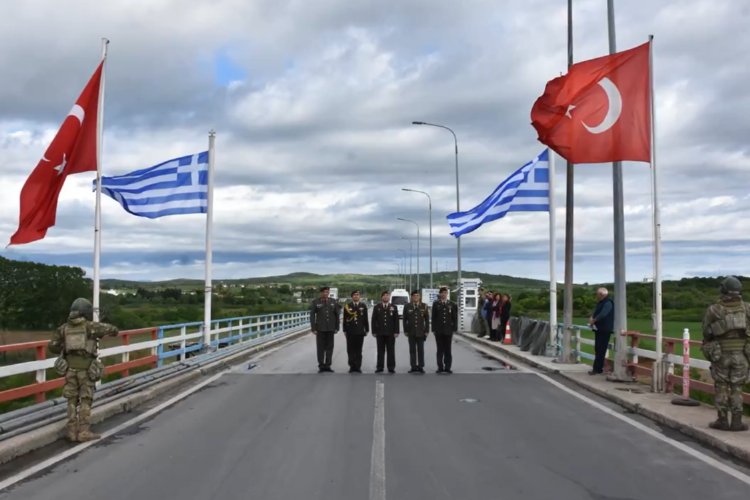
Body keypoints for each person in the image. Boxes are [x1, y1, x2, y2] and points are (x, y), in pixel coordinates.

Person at [48, 298, 119, 442]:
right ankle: (84, 431)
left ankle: (72, 431)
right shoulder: (90, 327)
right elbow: (114, 330)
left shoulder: (63, 328)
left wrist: (66, 347)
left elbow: (52, 346)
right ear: (86, 312)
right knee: (86, 399)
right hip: (86, 370)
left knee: (71, 400)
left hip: (69, 370)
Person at [701, 276, 750, 431]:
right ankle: (737, 421)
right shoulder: (747, 308)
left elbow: (706, 332)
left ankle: (722, 420)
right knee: (737, 387)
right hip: (742, 354)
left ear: (723, 290)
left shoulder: (714, 309)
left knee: (721, 386)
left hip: (721, 354)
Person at [310, 286, 341, 373]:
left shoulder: (333, 301)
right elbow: (312, 316)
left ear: (328, 293)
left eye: (327, 292)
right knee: (320, 348)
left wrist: (337, 327)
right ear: (321, 293)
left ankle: (328, 365)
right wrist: (313, 328)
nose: (325, 293)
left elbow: (337, 315)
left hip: (330, 328)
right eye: (324, 292)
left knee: (329, 347)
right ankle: (321, 366)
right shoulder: (316, 302)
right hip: (320, 329)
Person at [587, 287, 614, 375]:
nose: (596, 296)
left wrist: (594, 320)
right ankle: (598, 368)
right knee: (598, 348)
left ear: (601, 294)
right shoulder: (602, 302)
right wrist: (592, 317)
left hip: (605, 329)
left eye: (597, 294)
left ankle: (597, 369)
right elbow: (598, 312)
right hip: (599, 328)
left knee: (601, 349)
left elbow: (603, 313)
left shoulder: (608, 302)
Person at [371, 291, 400, 373]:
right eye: (384, 296)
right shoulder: (377, 307)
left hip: (390, 333)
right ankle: (380, 367)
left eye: (387, 296)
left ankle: (391, 367)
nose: (386, 297)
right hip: (380, 333)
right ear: (381, 297)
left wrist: (396, 331)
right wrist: (374, 331)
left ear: (389, 297)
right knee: (380, 351)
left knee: (391, 351)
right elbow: (374, 320)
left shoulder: (393, 307)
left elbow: (396, 320)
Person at [432, 287, 458, 374]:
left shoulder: (452, 304)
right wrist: (433, 329)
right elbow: (433, 318)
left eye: (445, 293)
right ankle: (440, 367)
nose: (444, 294)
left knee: (448, 349)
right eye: (442, 293)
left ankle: (447, 367)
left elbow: (454, 318)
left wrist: (454, 328)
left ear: (447, 294)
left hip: (448, 330)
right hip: (439, 331)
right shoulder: (436, 304)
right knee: (440, 350)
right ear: (440, 294)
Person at [403, 290, 430, 373]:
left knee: (420, 350)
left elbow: (427, 320)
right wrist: (405, 330)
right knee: (412, 350)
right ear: (411, 297)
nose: (416, 297)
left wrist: (426, 331)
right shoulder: (407, 306)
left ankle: (421, 366)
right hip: (411, 332)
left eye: (417, 295)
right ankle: (413, 366)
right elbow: (405, 319)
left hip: (421, 332)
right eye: (414, 295)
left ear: (420, 297)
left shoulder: (424, 306)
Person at [343, 290, 369, 373]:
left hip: (360, 331)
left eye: (357, 295)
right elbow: (344, 319)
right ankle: (352, 366)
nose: (356, 296)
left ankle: (358, 366)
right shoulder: (347, 306)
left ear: (359, 296)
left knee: (358, 350)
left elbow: (365, 318)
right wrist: (344, 330)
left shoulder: (363, 306)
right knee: (350, 350)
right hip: (350, 331)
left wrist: (367, 329)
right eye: (354, 295)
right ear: (352, 297)